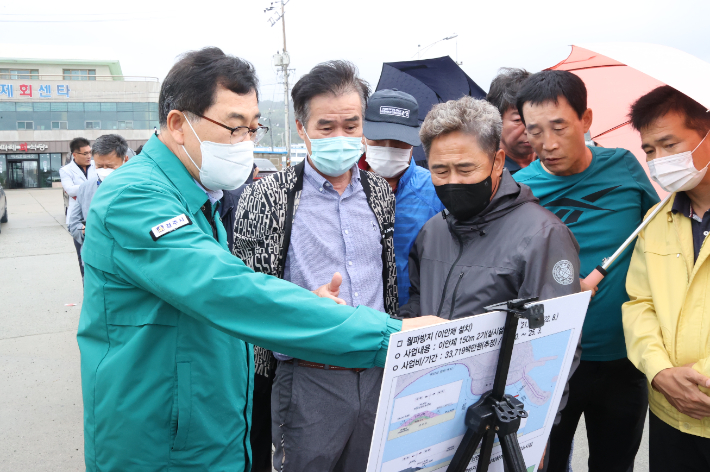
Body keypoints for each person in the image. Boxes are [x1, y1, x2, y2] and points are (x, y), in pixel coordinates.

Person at [77, 47, 440, 472]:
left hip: (208, 425)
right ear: (179, 124)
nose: (246, 143)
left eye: (253, 128)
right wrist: (389, 334)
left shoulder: (198, 197)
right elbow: (231, 290)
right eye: (234, 128)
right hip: (159, 441)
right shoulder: (136, 198)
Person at [233, 60, 399, 472]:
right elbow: (246, 297)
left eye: (351, 125)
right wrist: (306, 305)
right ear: (302, 128)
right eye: (327, 127)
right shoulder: (270, 197)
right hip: (309, 378)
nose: (341, 137)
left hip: (378, 371)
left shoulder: (378, 192)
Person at [513, 70, 659, 472]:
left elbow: (657, 232)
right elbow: (508, 272)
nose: (548, 144)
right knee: (546, 465)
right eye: (535, 132)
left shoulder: (625, 167)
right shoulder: (520, 189)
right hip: (548, 361)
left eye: (559, 127)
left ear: (586, 119)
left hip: (623, 358)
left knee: (615, 463)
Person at [623, 85, 710, 471]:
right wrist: (659, 372)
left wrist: (699, 381)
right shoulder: (655, 221)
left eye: (669, 144)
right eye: (649, 151)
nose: (658, 161)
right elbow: (639, 303)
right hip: (669, 412)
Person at [361, 88, 444, 305]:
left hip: (416, 314)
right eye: (379, 140)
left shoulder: (436, 190)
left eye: (398, 142)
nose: (389, 148)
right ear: (363, 135)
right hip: (360, 314)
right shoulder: (344, 187)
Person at [67, 134, 128, 247]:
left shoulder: (137, 186)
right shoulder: (85, 188)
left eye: (110, 166)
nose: (104, 171)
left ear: (125, 160)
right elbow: (73, 224)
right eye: (99, 166)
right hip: (95, 253)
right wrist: (84, 231)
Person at [486, 68, 535, 174]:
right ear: (496, 120)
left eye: (536, 119)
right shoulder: (489, 171)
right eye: (518, 120)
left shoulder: (554, 163)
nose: (529, 130)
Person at [59, 137, 96, 278]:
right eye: (85, 153)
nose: (89, 156)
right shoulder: (66, 170)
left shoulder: (96, 165)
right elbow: (69, 189)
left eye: (90, 152)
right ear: (75, 154)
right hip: (79, 220)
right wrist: (93, 186)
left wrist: (82, 189)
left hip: (96, 216)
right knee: (83, 259)